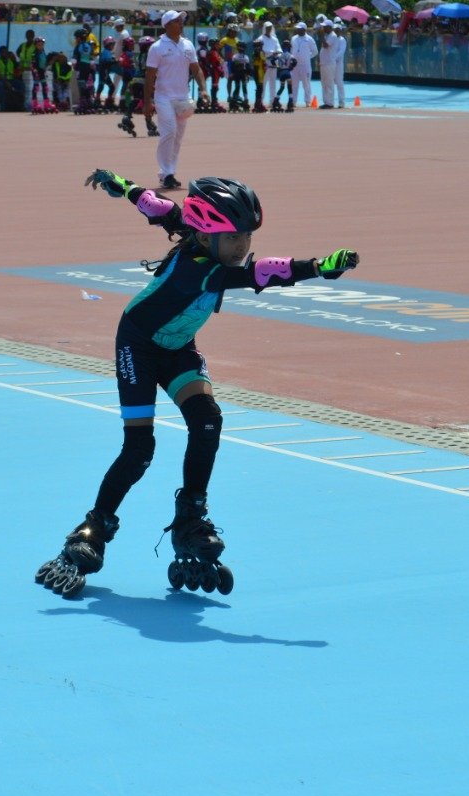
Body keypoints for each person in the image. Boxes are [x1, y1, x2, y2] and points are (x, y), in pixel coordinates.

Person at [36, 169, 360, 599]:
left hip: (177, 346)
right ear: (207, 237)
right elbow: (260, 274)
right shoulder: (200, 269)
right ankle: (93, 528)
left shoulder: (197, 235)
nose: (242, 247)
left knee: (207, 420)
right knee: (139, 450)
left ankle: (190, 515)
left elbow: (162, 209)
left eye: (246, 237)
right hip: (138, 346)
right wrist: (316, 267)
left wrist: (125, 187)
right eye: (233, 239)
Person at [143, 11, 204, 191]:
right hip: (163, 97)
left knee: (178, 137)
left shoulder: (188, 45)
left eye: (181, 20)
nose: (181, 23)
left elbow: (196, 69)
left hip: (183, 98)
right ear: (167, 24)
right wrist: (147, 102)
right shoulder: (157, 47)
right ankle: (166, 172)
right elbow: (149, 76)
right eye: (177, 21)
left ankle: (170, 172)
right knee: (169, 131)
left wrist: (204, 89)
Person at [288, 21, 316, 108]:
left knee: (306, 84)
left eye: (300, 29)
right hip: (295, 66)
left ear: (304, 29)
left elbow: (315, 51)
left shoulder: (309, 39)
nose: (298, 30)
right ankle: (294, 101)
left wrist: (307, 57)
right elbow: (291, 50)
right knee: (294, 84)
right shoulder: (293, 38)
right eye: (297, 28)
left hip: (305, 65)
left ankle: (307, 101)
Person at [317, 19, 338, 108]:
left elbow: (326, 45)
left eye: (325, 27)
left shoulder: (333, 35)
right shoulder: (327, 35)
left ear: (329, 27)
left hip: (329, 63)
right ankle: (326, 101)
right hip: (324, 63)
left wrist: (321, 36)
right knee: (324, 83)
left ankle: (330, 103)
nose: (323, 28)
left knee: (329, 83)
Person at [332, 19, 348, 108]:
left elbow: (341, 52)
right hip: (331, 64)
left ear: (340, 30)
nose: (336, 31)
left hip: (338, 64)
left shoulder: (342, 40)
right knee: (330, 83)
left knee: (339, 83)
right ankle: (330, 102)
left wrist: (332, 58)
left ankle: (341, 102)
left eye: (337, 29)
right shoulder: (332, 39)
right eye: (335, 29)